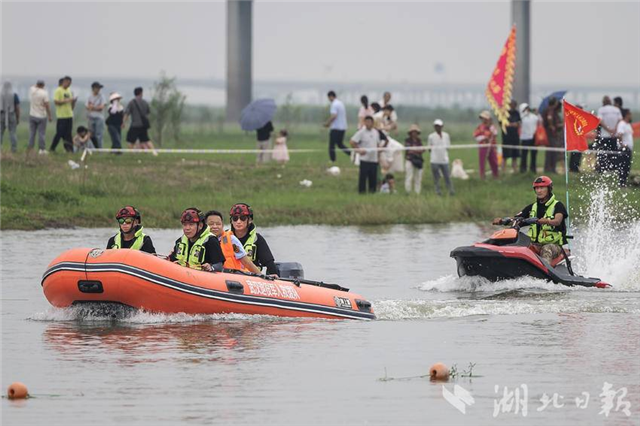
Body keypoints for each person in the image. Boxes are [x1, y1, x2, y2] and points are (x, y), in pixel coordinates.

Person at [492, 176, 568, 263]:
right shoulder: (532, 207)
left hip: (554, 245)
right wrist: (502, 221)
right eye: (537, 188)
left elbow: (557, 221)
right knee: (520, 247)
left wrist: (547, 221)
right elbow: (517, 219)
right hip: (534, 244)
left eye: (542, 188)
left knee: (546, 249)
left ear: (549, 189)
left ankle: (545, 274)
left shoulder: (558, 206)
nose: (539, 191)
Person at [229, 203, 278, 275]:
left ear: (250, 220)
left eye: (242, 218)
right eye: (235, 218)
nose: (238, 222)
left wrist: (274, 275)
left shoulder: (257, 239)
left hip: (252, 278)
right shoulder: (225, 238)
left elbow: (269, 263)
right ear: (231, 221)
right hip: (229, 276)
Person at [350, 116, 386, 193]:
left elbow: (377, 144)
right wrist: (359, 150)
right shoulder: (361, 132)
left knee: (373, 178)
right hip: (364, 159)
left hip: (374, 159)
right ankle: (362, 192)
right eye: (366, 122)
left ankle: (372, 192)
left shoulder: (376, 132)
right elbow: (352, 142)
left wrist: (379, 152)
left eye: (369, 122)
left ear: (372, 123)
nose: (368, 123)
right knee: (363, 178)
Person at [123, 87, 157, 154]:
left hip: (135, 125)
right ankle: (154, 152)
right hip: (143, 125)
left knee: (130, 141)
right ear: (141, 93)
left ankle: (132, 154)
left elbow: (127, 113)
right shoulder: (145, 102)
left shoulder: (131, 102)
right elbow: (147, 113)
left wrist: (123, 122)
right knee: (146, 140)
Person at [595, 96, 623, 173]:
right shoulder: (616, 109)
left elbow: (600, 121)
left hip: (605, 135)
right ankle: (613, 169)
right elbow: (620, 120)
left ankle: (603, 168)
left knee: (604, 153)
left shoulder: (601, 110)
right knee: (614, 153)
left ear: (603, 102)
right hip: (615, 135)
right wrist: (614, 130)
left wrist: (608, 129)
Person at [428, 119, 454, 196]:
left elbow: (448, 147)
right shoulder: (431, 136)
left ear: (442, 126)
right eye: (436, 126)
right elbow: (429, 148)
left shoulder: (446, 135)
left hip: (444, 160)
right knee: (436, 178)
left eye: (439, 126)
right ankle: (437, 192)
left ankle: (451, 191)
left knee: (447, 177)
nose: (437, 128)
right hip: (434, 160)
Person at [50, 76, 76, 153]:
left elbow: (71, 106)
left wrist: (73, 101)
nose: (69, 85)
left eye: (70, 84)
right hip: (61, 116)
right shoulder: (58, 90)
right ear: (64, 81)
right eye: (68, 83)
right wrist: (67, 100)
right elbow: (56, 102)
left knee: (68, 134)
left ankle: (70, 149)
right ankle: (52, 148)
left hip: (69, 115)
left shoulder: (69, 91)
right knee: (59, 133)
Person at [323, 91, 349, 162]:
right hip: (343, 127)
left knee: (331, 145)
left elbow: (334, 116)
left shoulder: (334, 104)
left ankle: (332, 159)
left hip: (336, 128)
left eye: (329, 98)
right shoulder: (341, 103)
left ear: (331, 96)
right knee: (340, 144)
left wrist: (327, 123)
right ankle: (351, 153)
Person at [28, 80, 52, 155]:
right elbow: (47, 105)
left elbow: (34, 86)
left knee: (32, 133)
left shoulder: (32, 90)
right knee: (41, 133)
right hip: (42, 116)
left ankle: (30, 148)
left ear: (37, 84)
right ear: (43, 85)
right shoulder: (44, 93)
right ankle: (41, 149)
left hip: (32, 115)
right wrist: (50, 116)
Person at [474, 111, 499, 179]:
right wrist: (484, 138)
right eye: (482, 118)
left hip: (492, 146)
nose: (484, 119)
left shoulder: (492, 127)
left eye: (485, 118)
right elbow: (476, 136)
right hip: (483, 146)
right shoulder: (480, 127)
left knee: (494, 161)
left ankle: (495, 175)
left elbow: (495, 134)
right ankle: (482, 176)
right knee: (482, 162)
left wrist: (491, 127)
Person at [542, 97, 562, 174]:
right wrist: (552, 126)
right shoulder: (550, 110)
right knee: (552, 152)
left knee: (549, 152)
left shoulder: (546, 109)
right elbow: (549, 118)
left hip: (549, 133)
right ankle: (551, 169)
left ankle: (548, 168)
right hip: (551, 134)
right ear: (554, 103)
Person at [501, 100, 521, 173]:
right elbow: (503, 124)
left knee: (515, 156)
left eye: (514, 105)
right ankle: (503, 171)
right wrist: (512, 124)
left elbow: (519, 123)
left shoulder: (517, 113)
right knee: (505, 156)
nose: (512, 106)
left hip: (515, 137)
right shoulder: (504, 114)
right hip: (506, 137)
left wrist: (515, 124)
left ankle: (515, 170)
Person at [616, 109, 634, 187]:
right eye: (630, 114)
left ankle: (624, 182)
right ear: (626, 115)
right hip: (624, 149)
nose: (631, 116)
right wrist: (622, 145)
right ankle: (621, 183)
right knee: (623, 166)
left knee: (627, 166)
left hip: (628, 149)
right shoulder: (622, 124)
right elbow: (619, 135)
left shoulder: (628, 124)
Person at [1, 81, 21, 153]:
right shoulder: (14, 95)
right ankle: (14, 149)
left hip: (1, 115)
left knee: (0, 132)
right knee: (12, 132)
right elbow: (17, 107)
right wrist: (18, 118)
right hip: (12, 114)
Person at [404, 124, 424, 194]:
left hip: (418, 160)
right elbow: (409, 150)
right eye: (413, 132)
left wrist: (414, 150)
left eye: (415, 132)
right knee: (409, 176)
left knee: (418, 177)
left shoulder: (419, 140)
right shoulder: (407, 140)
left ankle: (417, 192)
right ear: (410, 133)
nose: (414, 133)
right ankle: (408, 192)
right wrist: (417, 150)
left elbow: (422, 150)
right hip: (409, 160)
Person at [519, 103, 539, 173]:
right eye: (525, 108)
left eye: (527, 108)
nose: (526, 110)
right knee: (524, 155)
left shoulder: (533, 116)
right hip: (524, 138)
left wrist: (537, 113)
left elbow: (539, 120)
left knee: (533, 154)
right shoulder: (521, 117)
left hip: (533, 137)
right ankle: (523, 169)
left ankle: (533, 169)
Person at [86, 82, 106, 149]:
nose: (98, 89)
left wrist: (93, 107)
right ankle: (92, 149)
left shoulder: (101, 96)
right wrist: (95, 107)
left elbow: (101, 107)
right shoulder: (89, 96)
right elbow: (87, 106)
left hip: (99, 118)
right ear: (93, 88)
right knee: (91, 134)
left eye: (99, 88)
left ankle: (100, 149)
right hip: (90, 117)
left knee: (99, 135)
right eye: (97, 88)